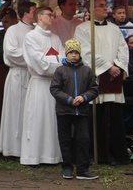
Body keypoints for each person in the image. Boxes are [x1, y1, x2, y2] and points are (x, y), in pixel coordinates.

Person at [74, 0, 130, 165]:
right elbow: (85, 51)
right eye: (101, 6)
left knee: (114, 117)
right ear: (91, 10)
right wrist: (107, 67)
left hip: (114, 78)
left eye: (106, 5)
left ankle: (116, 153)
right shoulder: (82, 29)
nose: (106, 8)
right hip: (96, 77)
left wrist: (118, 66)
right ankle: (96, 154)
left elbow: (123, 48)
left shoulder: (114, 28)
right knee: (95, 117)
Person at [20, 6, 64, 166]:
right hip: (39, 83)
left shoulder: (56, 38)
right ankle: (34, 157)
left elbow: (64, 59)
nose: (52, 18)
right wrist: (55, 60)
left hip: (55, 85)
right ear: (39, 17)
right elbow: (38, 63)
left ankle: (52, 156)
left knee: (53, 119)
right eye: (49, 15)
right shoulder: (31, 37)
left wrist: (50, 59)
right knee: (37, 118)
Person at [50, 39, 99, 180]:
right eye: (71, 52)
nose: (73, 55)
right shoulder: (60, 71)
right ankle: (67, 167)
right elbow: (55, 89)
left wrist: (83, 97)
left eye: (76, 52)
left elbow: (94, 89)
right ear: (66, 54)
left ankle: (82, 169)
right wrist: (69, 99)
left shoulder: (87, 71)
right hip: (64, 111)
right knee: (65, 139)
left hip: (81, 111)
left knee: (83, 139)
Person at [0, 1, 36, 158]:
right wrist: (35, 56)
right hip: (18, 73)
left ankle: (30, 147)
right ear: (26, 14)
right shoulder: (13, 30)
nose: (36, 15)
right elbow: (11, 53)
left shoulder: (36, 30)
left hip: (34, 74)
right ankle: (13, 149)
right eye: (34, 12)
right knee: (16, 111)